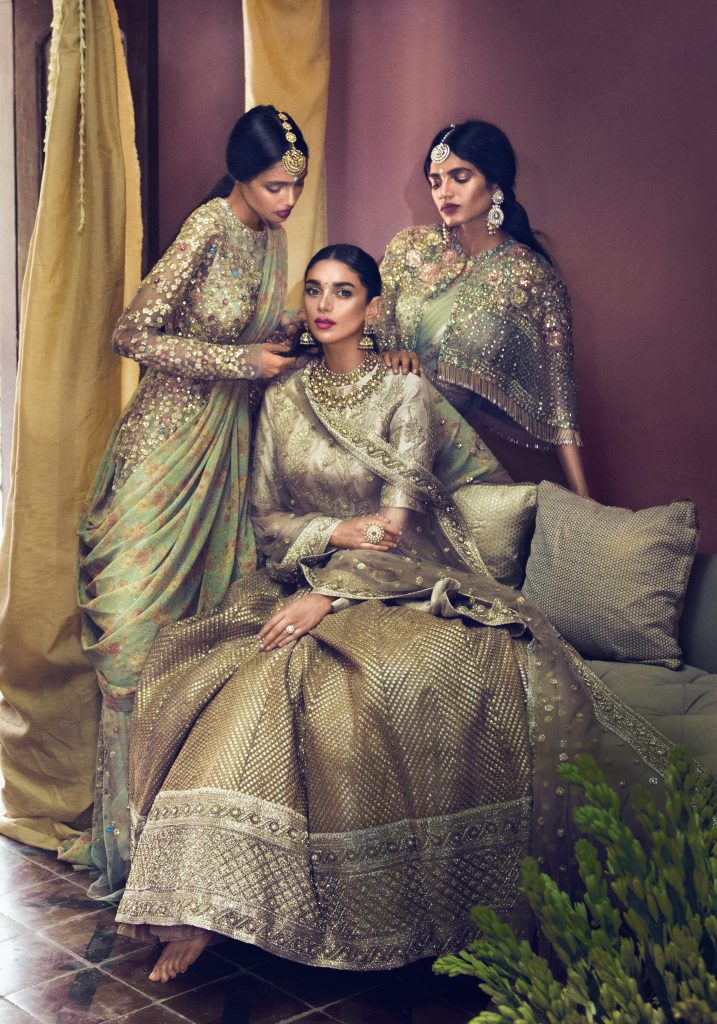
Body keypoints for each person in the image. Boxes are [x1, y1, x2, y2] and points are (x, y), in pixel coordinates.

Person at [114, 245, 666, 981]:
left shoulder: (404, 391)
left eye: (343, 292)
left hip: (398, 586)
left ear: (372, 309)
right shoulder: (283, 397)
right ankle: (203, 901)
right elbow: (265, 518)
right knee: (194, 665)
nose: (323, 304)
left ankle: (242, 907)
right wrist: (332, 538)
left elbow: (396, 528)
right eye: (313, 289)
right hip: (298, 576)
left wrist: (332, 592)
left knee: (300, 685)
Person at [74, 105, 308, 898]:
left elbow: (261, 332)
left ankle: (182, 848)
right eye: (277, 185)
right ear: (242, 174)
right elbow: (131, 334)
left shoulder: (273, 242)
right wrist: (237, 359)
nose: (288, 201)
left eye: (296, 187)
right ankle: (124, 847)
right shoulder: (208, 227)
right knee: (135, 637)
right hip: (165, 452)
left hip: (227, 456)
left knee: (203, 640)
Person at [377, 119, 589, 496]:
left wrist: (585, 499)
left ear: (495, 184)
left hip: (453, 454)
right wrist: (383, 344)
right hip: (376, 424)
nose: (445, 191)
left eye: (460, 177)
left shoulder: (531, 277)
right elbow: (365, 329)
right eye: (436, 181)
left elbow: (561, 403)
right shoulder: (409, 248)